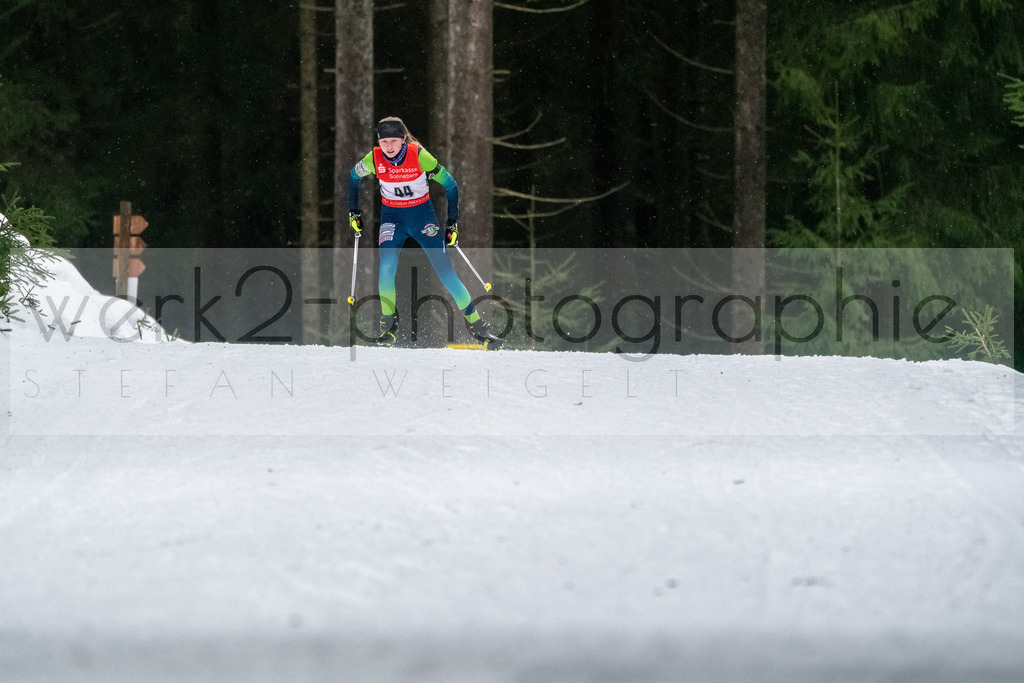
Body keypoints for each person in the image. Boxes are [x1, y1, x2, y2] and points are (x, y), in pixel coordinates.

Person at [347, 116, 501, 349]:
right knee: (387, 268)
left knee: (446, 273)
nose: (388, 147)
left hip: (422, 218)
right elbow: (353, 176)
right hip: (393, 219)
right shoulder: (374, 158)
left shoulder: (419, 155)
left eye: (393, 141)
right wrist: (354, 212)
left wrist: (452, 223)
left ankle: (477, 326)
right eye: (384, 141)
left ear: (402, 140)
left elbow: (450, 185)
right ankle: (388, 325)